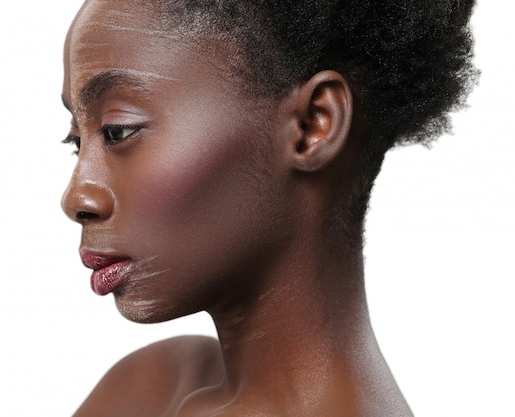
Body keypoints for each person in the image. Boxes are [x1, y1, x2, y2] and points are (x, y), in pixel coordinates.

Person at [60, 0, 478, 415]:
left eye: (118, 130)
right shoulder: (155, 385)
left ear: (313, 124)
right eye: (77, 140)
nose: (76, 198)